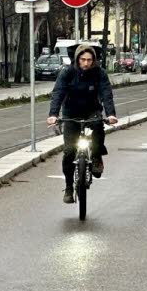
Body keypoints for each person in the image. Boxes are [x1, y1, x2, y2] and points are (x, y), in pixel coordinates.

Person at [47, 44, 120, 204]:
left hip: (91, 110)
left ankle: (96, 157)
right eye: (83, 60)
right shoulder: (67, 72)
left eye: (89, 60)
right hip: (71, 113)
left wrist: (111, 114)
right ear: (77, 59)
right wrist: (53, 115)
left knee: (98, 127)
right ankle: (68, 188)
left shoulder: (99, 73)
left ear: (93, 60)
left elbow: (106, 93)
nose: (86, 63)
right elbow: (58, 92)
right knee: (68, 152)